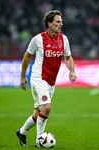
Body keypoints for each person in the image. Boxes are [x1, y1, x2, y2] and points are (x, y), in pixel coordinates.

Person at [16, 10, 77, 147]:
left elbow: (68, 57)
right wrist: (23, 76)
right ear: (49, 24)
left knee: (38, 113)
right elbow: (27, 56)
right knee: (47, 107)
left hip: (51, 81)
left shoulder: (64, 39)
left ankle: (21, 132)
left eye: (61, 21)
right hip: (38, 78)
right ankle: (40, 141)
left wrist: (71, 71)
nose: (61, 24)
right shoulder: (38, 39)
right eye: (58, 22)